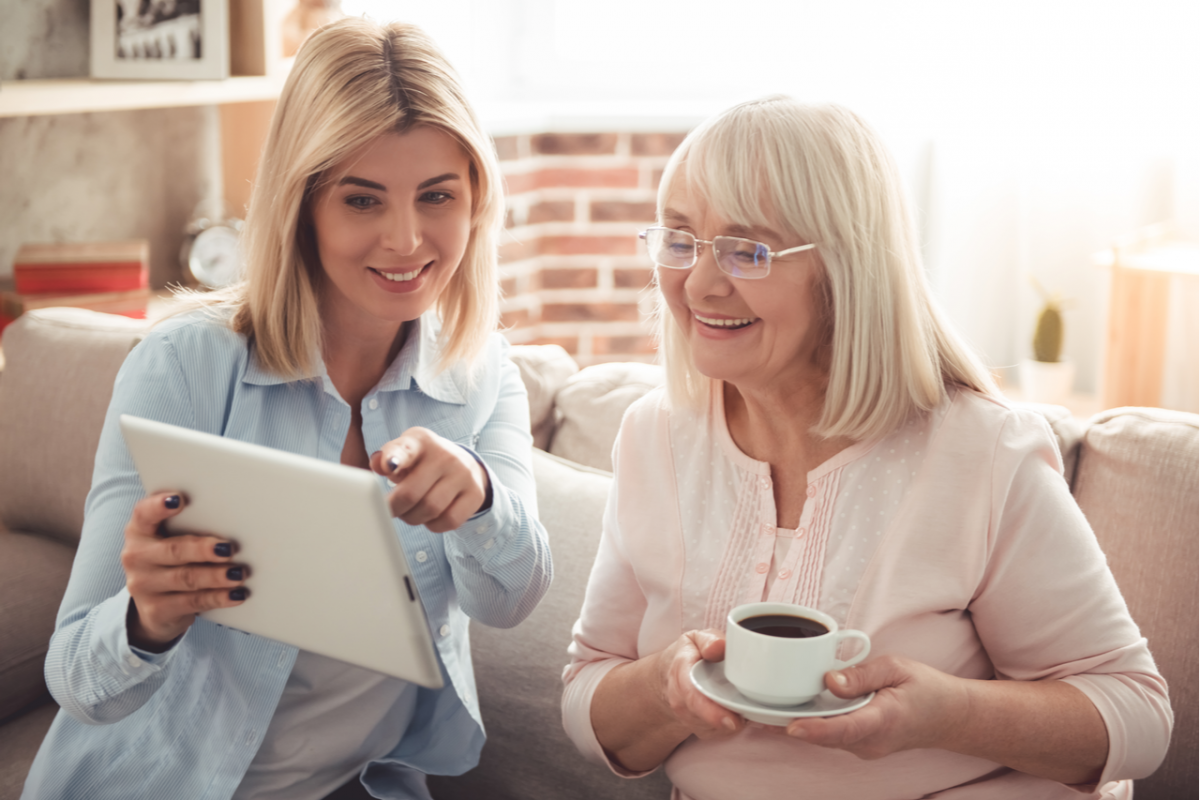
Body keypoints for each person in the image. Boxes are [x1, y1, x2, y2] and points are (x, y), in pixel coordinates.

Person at [561, 96, 1171, 799]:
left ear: (844, 267)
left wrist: (945, 715)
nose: (699, 283)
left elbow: (1138, 717)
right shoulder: (653, 436)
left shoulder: (982, 453)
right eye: (680, 239)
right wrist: (664, 690)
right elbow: (587, 696)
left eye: (746, 249)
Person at [24, 17, 551, 800]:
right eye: (363, 200)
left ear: (476, 201)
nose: (407, 240)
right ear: (302, 205)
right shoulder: (184, 366)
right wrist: (147, 621)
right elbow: (76, 678)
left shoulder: (478, 373)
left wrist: (479, 496)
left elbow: (511, 599)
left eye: (437, 196)